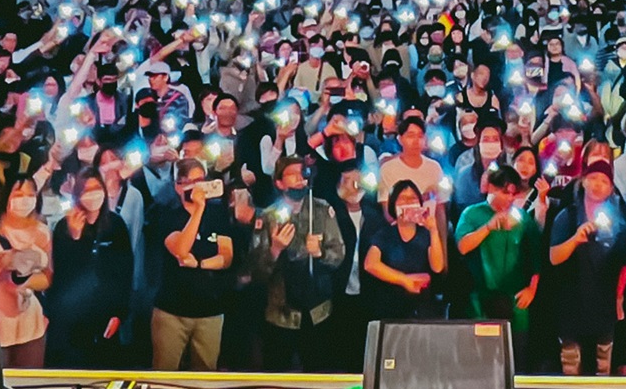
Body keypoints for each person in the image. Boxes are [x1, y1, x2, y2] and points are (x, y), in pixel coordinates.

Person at [250, 155, 348, 369]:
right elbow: (255, 271)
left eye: (302, 174)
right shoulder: (267, 217)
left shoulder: (322, 210)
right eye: (292, 175)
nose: (299, 179)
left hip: (318, 311)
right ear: (279, 182)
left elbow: (339, 255)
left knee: (318, 376)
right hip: (281, 313)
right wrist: (275, 249)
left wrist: (319, 253)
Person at [149, 149, 240, 370]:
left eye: (199, 180)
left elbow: (226, 256)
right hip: (172, 311)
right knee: (164, 372)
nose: (195, 186)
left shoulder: (218, 213)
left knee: (206, 373)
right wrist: (198, 210)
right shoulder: (166, 213)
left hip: (210, 310)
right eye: (187, 182)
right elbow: (181, 249)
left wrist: (199, 263)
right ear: (178, 186)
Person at [546, 159, 626, 373]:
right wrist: (575, 239)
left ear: (611, 188)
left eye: (603, 181)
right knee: (570, 367)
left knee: (603, 367)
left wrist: (619, 297)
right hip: (571, 304)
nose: (597, 184)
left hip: (604, 305)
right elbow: (554, 257)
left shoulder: (618, 223)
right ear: (583, 181)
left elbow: (625, 263)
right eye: (592, 178)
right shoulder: (567, 216)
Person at [47, 171, 136, 366]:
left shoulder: (115, 224)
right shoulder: (64, 227)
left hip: (107, 313)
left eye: (97, 189)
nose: (93, 195)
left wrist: (119, 313)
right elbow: (63, 275)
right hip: (73, 317)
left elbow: (125, 272)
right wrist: (76, 238)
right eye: (86, 190)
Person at [0, 175, 53, 367]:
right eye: (19, 194)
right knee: (1, 386)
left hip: (31, 324)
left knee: (30, 385)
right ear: (7, 198)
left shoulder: (42, 232)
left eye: (30, 195)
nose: (25, 200)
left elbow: (48, 277)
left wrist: (26, 283)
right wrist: (1, 264)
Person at [455, 164, 546, 341]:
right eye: (505, 193)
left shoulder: (522, 218)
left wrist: (532, 288)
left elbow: (535, 255)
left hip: (515, 298)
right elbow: (463, 246)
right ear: (491, 188)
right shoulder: (472, 214)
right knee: (482, 350)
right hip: (479, 299)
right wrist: (488, 227)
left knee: (516, 352)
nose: (510, 199)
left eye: (514, 194)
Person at [364, 181, 449, 319]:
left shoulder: (425, 233)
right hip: (390, 306)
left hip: (422, 307)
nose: (407, 203)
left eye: (413, 198)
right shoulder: (384, 233)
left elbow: (438, 266)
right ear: (393, 204)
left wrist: (433, 230)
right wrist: (404, 280)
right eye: (402, 198)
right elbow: (370, 264)